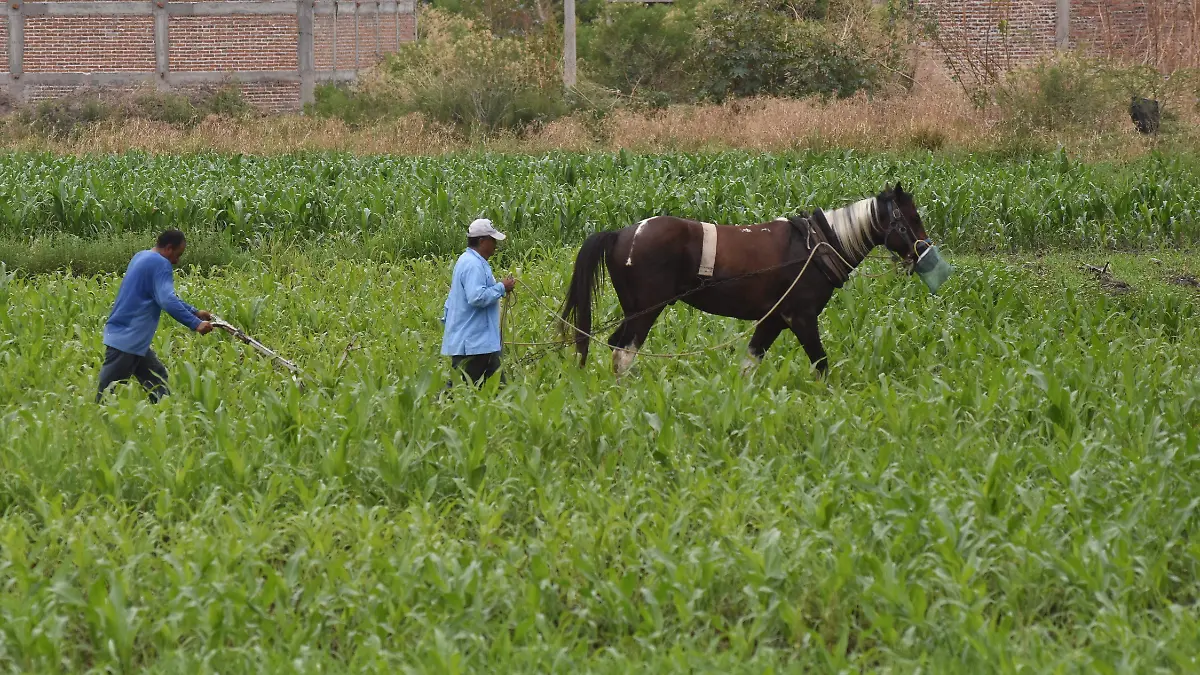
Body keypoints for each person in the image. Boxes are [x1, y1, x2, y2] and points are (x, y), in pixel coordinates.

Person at [96, 229, 214, 403]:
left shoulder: (142, 256)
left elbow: (162, 296)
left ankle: (165, 418)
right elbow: (166, 300)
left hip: (133, 338)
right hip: (126, 339)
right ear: (168, 248)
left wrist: (194, 311)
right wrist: (195, 323)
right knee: (107, 393)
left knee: (157, 379)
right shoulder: (160, 264)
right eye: (177, 255)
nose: (176, 261)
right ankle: (95, 422)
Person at [441, 218, 516, 386]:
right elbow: (477, 297)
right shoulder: (472, 265)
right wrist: (501, 287)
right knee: (458, 390)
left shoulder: (470, 261)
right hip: (473, 343)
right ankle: (435, 409)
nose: (495, 244)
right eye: (492, 240)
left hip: (483, 342)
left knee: (498, 387)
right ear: (482, 241)